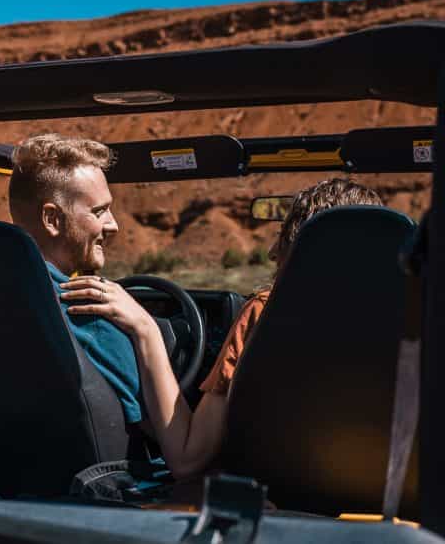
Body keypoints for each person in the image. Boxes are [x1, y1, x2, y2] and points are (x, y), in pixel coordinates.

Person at [60, 177, 382, 478]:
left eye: (283, 238)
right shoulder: (412, 321)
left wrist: (146, 329)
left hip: (278, 504)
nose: (271, 253)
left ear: (304, 250)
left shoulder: (265, 314)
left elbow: (187, 458)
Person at [8, 133, 142, 425]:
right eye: (100, 211)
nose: (114, 225)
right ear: (52, 220)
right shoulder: (89, 317)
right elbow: (167, 436)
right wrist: (147, 330)